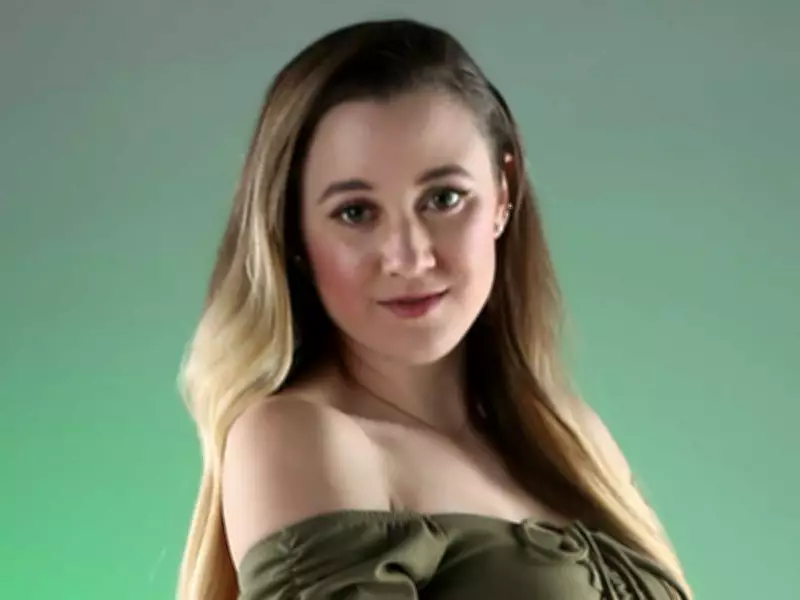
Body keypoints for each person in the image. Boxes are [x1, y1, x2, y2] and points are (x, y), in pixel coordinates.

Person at [176, 18, 692, 600]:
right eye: (355, 212)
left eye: (443, 199)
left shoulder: (572, 435)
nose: (409, 257)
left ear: (503, 193)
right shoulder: (299, 437)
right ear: (292, 231)